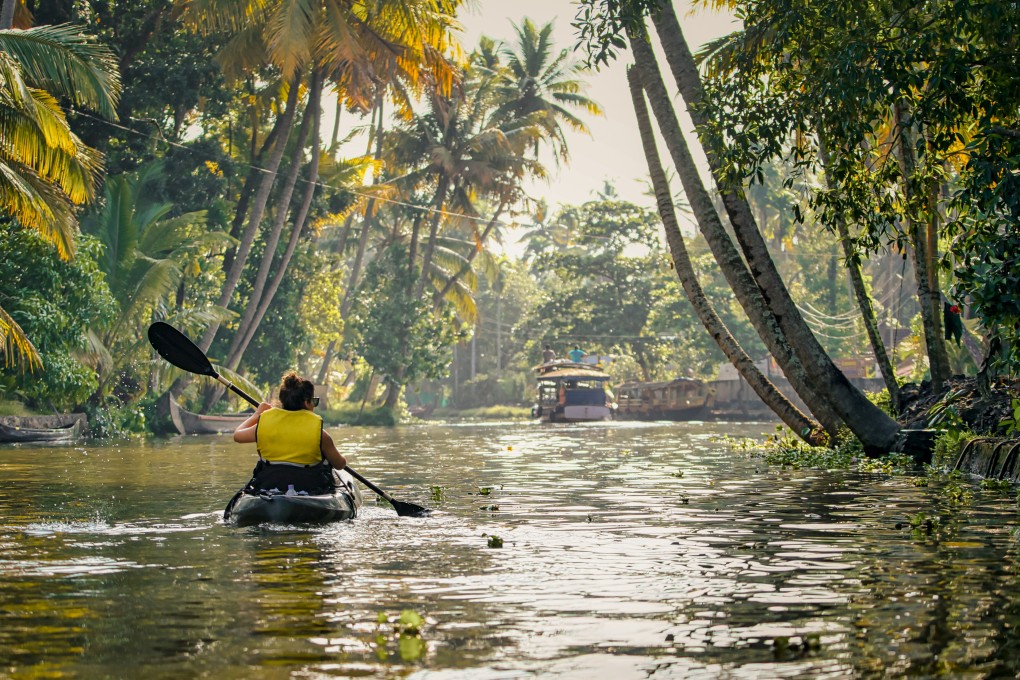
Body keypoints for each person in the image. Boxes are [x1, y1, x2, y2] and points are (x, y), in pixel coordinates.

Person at [233, 372, 348, 494]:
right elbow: (340, 464)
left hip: (269, 485)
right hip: (308, 488)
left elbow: (237, 435)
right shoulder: (321, 435)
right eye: (314, 401)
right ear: (306, 402)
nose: (314, 405)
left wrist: (257, 414)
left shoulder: (264, 426)